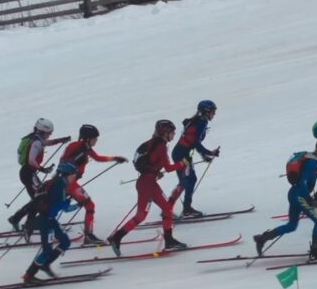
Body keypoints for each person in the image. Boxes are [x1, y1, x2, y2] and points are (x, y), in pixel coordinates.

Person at [108, 120, 187, 255]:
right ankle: (117, 238)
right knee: (151, 213)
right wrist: (183, 163)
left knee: (154, 212)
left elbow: (151, 162)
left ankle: (117, 237)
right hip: (148, 185)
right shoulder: (161, 146)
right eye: (172, 132)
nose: (174, 135)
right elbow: (168, 168)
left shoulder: (153, 142)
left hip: (146, 182)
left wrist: (155, 172)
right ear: (165, 133)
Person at [252, 138, 317, 263]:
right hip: (300, 196)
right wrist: (309, 200)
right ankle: (315, 252)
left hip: (294, 194)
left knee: (292, 225)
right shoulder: (313, 162)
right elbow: (303, 180)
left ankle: (263, 238)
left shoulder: (311, 159)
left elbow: (312, 175)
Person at [60, 124, 127, 246]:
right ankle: (88, 236)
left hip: (71, 182)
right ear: (87, 138)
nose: (96, 140)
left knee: (88, 205)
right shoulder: (75, 146)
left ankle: (88, 235)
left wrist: (115, 158)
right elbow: (63, 162)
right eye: (94, 138)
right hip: (67, 182)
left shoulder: (86, 148)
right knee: (89, 205)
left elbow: (97, 158)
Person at [20, 162, 79, 284]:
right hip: (46, 221)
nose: (75, 177)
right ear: (66, 174)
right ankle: (29, 276)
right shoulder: (60, 186)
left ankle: (45, 264)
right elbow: (61, 207)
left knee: (65, 242)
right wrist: (75, 204)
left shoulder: (55, 183)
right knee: (47, 250)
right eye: (73, 175)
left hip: (50, 220)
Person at [7, 118, 70, 232]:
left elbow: (47, 143)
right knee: (39, 199)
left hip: (28, 173)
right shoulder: (36, 142)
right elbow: (31, 160)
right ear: (43, 131)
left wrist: (60, 140)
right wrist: (42, 169)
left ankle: (20, 220)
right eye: (49, 133)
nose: (50, 135)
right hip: (28, 173)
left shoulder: (35, 138)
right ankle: (25, 224)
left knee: (37, 198)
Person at [171, 100, 220, 218]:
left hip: (184, 154)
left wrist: (204, 155)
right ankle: (183, 209)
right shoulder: (201, 122)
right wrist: (208, 152)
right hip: (182, 155)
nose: (214, 114)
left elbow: (192, 144)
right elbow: (195, 143)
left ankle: (176, 207)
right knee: (187, 180)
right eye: (213, 111)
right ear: (206, 112)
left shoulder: (199, 121)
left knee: (188, 180)